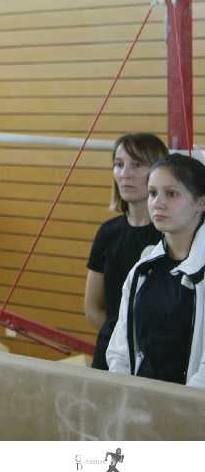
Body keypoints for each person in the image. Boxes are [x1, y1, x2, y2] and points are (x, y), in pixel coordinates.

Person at [105, 152, 205, 472]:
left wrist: (177, 415)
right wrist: (125, 403)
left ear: (201, 203)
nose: (157, 203)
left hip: (189, 423)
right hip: (142, 419)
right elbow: (120, 347)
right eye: (152, 194)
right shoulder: (144, 267)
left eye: (172, 194)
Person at [84, 132, 166, 370]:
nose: (125, 174)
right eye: (119, 164)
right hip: (111, 354)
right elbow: (92, 309)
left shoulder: (171, 235)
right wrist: (122, 344)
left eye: (137, 164)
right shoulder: (108, 233)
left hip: (157, 360)